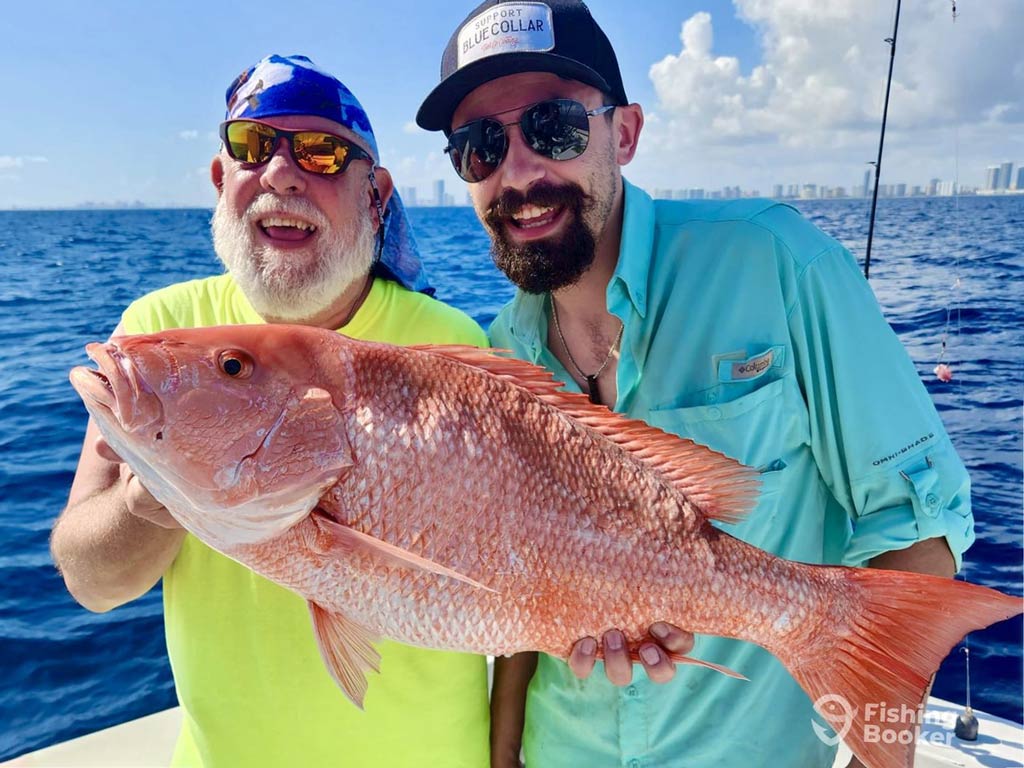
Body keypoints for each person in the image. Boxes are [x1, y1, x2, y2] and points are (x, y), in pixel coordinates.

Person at [415, 2, 975, 766]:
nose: (518, 173)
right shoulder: (500, 352)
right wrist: (505, 754)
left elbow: (918, 521)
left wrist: (876, 744)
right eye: (480, 147)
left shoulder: (780, 264)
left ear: (627, 132)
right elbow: (515, 598)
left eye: (554, 128)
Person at [52, 55, 490, 767]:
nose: (283, 174)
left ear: (376, 196)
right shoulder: (158, 335)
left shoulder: (450, 346)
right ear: (223, 180)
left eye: (321, 152)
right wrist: (156, 492)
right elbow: (91, 583)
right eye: (254, 147)